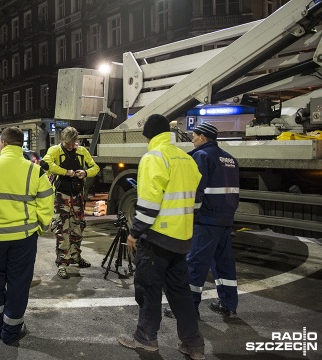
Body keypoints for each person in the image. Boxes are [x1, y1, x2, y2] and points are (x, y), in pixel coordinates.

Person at [118, 114, 205, 360]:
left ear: (148, 135)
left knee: (148, 289)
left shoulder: (153, 158)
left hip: (157, 237)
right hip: (182, 237)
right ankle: (193, 344)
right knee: (180, 293)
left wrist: (135, 233)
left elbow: (148, 204)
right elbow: (197, 200)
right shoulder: (186, 158)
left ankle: (146, 338)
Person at [0, 126, 54, 345]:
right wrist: (40, 226)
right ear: (21, 145)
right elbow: (46, 201)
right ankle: (11, 332)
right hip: (24, 239)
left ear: (3, 144)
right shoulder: (34, 170)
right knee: (18, 283)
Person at [188, 123, 240, 317]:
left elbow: (196, 190)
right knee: (224, 263)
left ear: (202, 137)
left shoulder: (201, 156)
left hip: (207, 220)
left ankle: (188, 308)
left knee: (196, 264)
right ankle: (229, 305)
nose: (192, 140)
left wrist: (191, 217)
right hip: (226, 219)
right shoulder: (230, 159)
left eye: (194, 136)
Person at [41, 126, 99, 279]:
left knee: (78, 227)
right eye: (68, 144)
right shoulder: (54, 151)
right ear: (62, 140)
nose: (71, 146)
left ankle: (75, 256)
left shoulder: (82, 152)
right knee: (62, 229)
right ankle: (62, 263)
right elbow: (46, 164)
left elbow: (95, 167)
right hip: (62, 196)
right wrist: (66, 172)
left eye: (73, 143)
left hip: (77, 195)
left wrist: (85, 172)